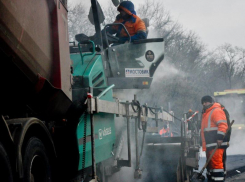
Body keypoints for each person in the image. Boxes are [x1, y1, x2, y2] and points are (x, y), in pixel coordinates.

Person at [201, 95, 229, 182]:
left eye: (206, 102)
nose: (205, 104)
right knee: (212, 166)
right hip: (211, 144)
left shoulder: (216, 111)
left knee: (217, 166)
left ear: (211, 102)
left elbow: (222, 125)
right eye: (203, 102)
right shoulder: (206, 113)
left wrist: (220, 138)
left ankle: (218, 180)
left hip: (217, 144)